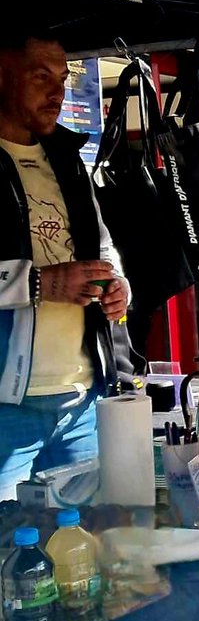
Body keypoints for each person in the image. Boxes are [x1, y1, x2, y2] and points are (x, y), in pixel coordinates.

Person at [0, 25, 129, 502]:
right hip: (6, 411)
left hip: (85, 399)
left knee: (89, 554)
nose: (57, 93)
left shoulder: (67, 157)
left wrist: (118, 283)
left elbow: (102, 245)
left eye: (63, 78)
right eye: (40, 77)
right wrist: (39, 284)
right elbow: (45, 281)